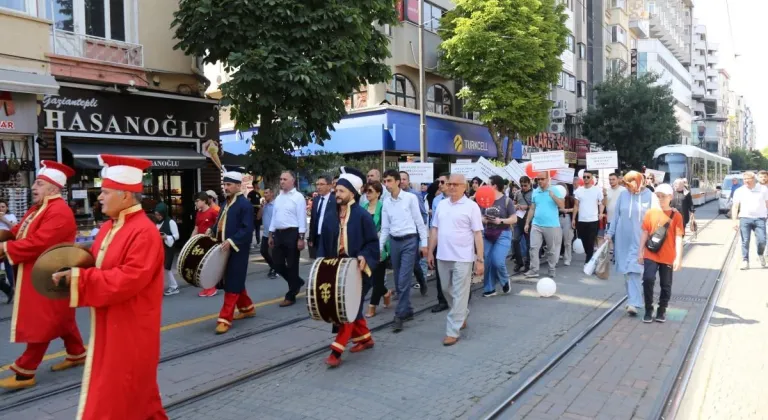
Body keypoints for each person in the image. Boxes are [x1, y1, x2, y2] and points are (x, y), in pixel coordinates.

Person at [51, 155, 167, 419]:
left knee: (117, 394)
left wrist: (80, 278)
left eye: (105, 191)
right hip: (110, 323)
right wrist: (71, 264)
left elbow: (128, 279)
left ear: (126, 195)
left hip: (131, 328)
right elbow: (97, 263)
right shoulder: (108, 227)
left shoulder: (144, 232)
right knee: (137, 395)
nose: (99, 197)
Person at [0, 161, 87, 390]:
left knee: (44, 321)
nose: (33, 187)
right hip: (41, 274)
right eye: (35, 183)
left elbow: (39, 243)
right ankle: (77, 353)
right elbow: (18, 233)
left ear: (54, 188)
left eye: (39, 183)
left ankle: (24, 371)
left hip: (49, 275)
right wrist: (4, 239)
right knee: (62, 318)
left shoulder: (59, 211)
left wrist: (6, 249)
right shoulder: (38, 208)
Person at [316, 167, 379, 367]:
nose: (337, 194)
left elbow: (372, 244)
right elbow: (323, 243)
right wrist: (320, 265)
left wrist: (364, 256)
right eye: (337, 191)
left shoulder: (362, 216)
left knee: (347, 310)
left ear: (352, 193)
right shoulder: (330, 215)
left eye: (342, 191)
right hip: (335, 270)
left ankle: (336, 351)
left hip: (357, 271)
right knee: (350, 309)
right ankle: (365, 339)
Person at [428, 174, 484, 346]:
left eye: (455, 184)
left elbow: (477, 234)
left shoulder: (472, 206)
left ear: (464, 187)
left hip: (463, 257)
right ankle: (462, 314)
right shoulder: (441, 204)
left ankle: (453, 330)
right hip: (442, 255)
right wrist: (430, 251)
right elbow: (435, 229)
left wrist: (480, 259)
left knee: (460, 293)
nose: (451, 187)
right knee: (446, 289)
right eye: (448, 183)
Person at [379, 169, 428, 332]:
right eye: (385, 181)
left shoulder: (410, 198)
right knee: (399, 278)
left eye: (389, 181)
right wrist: (380, 247)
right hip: (394, 242)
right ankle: (407, 310)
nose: (387, 184)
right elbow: (385, 227)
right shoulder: (386, 202)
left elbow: (419, 221)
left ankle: (399, 315)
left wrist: (424, 243)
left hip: (409, 241)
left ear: (398, 181)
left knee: (403, 279)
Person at [606, 171, 660, 316]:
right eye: (627, 185)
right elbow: (616, 216)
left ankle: (634, 303)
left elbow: (656, 219)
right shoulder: (623, 195)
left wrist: (653, 239)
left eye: (631, 185)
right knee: (626, 271)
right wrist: (609, 234)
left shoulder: (650, 196)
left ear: (639, 182)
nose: (629, 188)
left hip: (640, 239)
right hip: (622, 240)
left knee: (634, 270)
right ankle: (632, 299)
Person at [212, 167, 255, 334]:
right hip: (224, 249)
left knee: (232, 284)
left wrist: (232, 240)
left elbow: (247, 229)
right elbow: (220, 222)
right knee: (235, 281)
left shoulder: (245, 205)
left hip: (237, 250)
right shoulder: (226, 203)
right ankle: (247, 308)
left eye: (229, 184)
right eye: (224, 185)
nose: (226, 187)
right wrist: (212, 230)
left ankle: (224, 318)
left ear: (238, 186)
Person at [639, 184, 683, 323]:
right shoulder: (650, 213)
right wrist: (640, 251)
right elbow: (645, 232)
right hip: (651, 253)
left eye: (663, 196)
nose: (660, 199)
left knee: (666, 284)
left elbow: (678, 237)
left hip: (668, 255)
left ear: (670, 197)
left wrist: (678, 258)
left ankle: (662, 309)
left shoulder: (676, 215)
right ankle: (648, 309)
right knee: (648, 279)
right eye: (658, 196)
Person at [269, 171, 307, 307]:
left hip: (292, 233)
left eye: (285, 179)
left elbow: (302, 218)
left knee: (292, 265)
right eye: (280, 179)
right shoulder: (279, 197)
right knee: (277, 264)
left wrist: (301, 238)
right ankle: (296, 282)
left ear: (292, 181)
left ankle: (291, 295)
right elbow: (274, 216)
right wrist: (270, 233)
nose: (282, 181)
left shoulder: (298, 197)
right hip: (278, 234)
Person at [524, 172, 565, 278]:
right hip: (536, 224)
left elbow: (562, 205)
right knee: (533, 248)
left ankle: (552, 269)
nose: (540, 181)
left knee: (551, 250)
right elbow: (532, 208)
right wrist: (527, 223)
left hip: (551, 225)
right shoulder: (535, 191)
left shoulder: (554, 190)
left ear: (548, 179)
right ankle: (534, 270)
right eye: (538, 179)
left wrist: (553, 196)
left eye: (542, 179)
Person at [481, 175, 516, 297]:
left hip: (503, 233)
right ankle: (489, 288)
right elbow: (480, 216)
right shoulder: (484, 199)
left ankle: (505, 280)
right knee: (487, 261)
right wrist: (484, 220)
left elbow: (513, 218)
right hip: (488, 234)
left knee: (498, 261)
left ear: (494, 185)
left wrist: (500, 220)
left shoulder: (507, 201)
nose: (485, 186)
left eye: (488, 183)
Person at [364, 180, 391, 318]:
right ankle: (386, 293)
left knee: (377, 279)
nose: (367, 194)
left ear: (378, 193)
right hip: (366, 248)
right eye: (366, 191)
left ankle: (372, 306)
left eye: (370, 191)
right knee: (371, 277)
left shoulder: (383, 207)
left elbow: (386, 228)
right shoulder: (363, 207)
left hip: (380, 247)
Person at [731, 171, 768, 269]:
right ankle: (745, 260)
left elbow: (767, 203)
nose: (746, 181)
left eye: (748, 179)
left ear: (754, 179)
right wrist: (734, 221)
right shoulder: (739, 191)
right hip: (745, 218)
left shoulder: (763, 189)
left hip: (760, 218)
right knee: (745, 240)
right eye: (744, 179)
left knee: (762, 240)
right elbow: (735, 206)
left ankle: (760, 254)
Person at [192, 192, 221, 296]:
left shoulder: (213, 212)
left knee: (208, 266)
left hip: (210, 243)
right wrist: (190, 241)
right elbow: (196, 228)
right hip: (200, 243)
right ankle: (205, 287)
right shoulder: (198, 213)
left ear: (204, 201)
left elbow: (219, 225)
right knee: (201, 267)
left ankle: (212, 288)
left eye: (197, 201)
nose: (196, 203)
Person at [573, 170, 605, 264]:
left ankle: (588, 262)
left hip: (593, 220)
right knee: (584, 241)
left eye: (588, 177)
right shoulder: (579, 190)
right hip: (581, 220)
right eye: (584, 177)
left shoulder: (597, 190)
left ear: (592, 178)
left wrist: (601, 213)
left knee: (591, 242)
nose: (586, 179)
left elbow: (602, 202)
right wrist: (573, 218)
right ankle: (590, 256)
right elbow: (576, 205)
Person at [155, 203, 180, 296]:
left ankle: (174, 286)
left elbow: (177, 236)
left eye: (159, 214)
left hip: (168, 247)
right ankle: (170, 286)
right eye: (156, 214)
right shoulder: (156, 222)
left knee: (167, 267)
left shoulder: (170, 222)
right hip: (159, 247)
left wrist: (166, 237)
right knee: (161, 267)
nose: (157, 217)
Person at [308, 175, 334, 259]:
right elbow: (313, 219)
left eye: (322, 184)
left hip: (330, 238)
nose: (318, 187)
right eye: (317, 184)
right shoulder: (316, 200)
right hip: (317, 238)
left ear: (330, 186)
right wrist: (311, 238)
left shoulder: (335, 200)